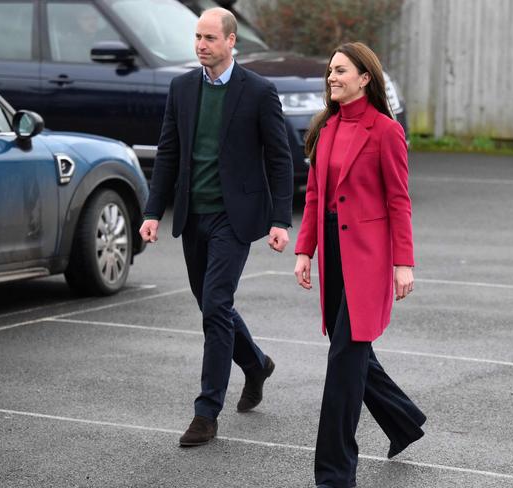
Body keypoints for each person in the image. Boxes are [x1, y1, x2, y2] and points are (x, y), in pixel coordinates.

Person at [140, 7, 293, 447]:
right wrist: (153, 212)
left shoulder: (259, 91)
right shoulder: (182, 88)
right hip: (193, 215)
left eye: (209, 38)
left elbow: (279, 158)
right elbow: (168, 153)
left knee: (215, 306)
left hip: (236, 217)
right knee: (213, 305)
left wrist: (281, 219)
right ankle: (256, 363)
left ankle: (206, 412)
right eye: (197, 37)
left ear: (231, 42)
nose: (201, 45)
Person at [294, 42, 426, 488]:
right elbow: (314, 197)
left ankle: (334, 475)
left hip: (368, 260)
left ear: (365, 78)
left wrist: (403, 263)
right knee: (353, 354)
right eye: (330, 70)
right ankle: (403, 421)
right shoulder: (325, 128)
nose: (332, 78)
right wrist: (304, 250)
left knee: (343, 367)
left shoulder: (386, 131)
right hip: (332, 254)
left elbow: (399, 200)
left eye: (341, 71)